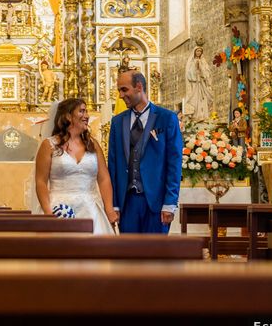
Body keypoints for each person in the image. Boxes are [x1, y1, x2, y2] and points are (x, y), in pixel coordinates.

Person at [107, 70, 182, 234]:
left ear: (139, 86)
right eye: (119, 90)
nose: (120, 95)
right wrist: (114, 204)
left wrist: (170, 202)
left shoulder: (167, 118)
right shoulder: (117, 122)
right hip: (128, 203)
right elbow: (112, 166)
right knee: (129, 257)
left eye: (124, 89)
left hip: (156, 202)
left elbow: (174, 163)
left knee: (156, 256)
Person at [35, 98, 117, 234]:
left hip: (91, 209)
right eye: (82, 111)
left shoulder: (93, 144)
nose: (87, 116)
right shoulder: (49, 145)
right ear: (68, 116)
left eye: (86, 111)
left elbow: (104, 179)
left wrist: (109, 209)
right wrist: (48, 212)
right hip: (58, 208)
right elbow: (41, 182)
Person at [182, 45, 212, 123]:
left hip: (202, 83)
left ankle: (203, 115)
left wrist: (202, 70)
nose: (199, 53)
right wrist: (195, 68)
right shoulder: (191, 61)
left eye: (200, 51)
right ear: (194, 52)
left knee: (203, 98)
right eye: (197, 51)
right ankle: (196, 116)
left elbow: (207, 73)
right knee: (195, 99)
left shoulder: (203, 61)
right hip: (195, 84)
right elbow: (188, 74)